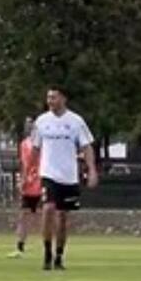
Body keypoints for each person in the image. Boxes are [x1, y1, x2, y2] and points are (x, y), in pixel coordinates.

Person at [31, 86, 98, 271]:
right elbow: (35, 149)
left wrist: (92, 170)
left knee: (62, 216)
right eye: (48, 97)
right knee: (48, 208)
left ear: (63, 99)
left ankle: (59, 255)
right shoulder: (42, 121)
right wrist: (30, 171)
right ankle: (46, 253)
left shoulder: (76, 121)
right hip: (48, 174)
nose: (50, 101)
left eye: (54, 97)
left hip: (68, 176)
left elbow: (87, 147)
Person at [7, 116, 42, 258]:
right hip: (29, 183)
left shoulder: (43, 143)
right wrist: (22, 179)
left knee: (46, 214)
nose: (28, 126)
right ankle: (20, 248)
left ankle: (49, 247)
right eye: (27, 123)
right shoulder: (24, 144)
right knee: (23, 215)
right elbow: (24, 164)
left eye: (31, 123)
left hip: (42, 182)